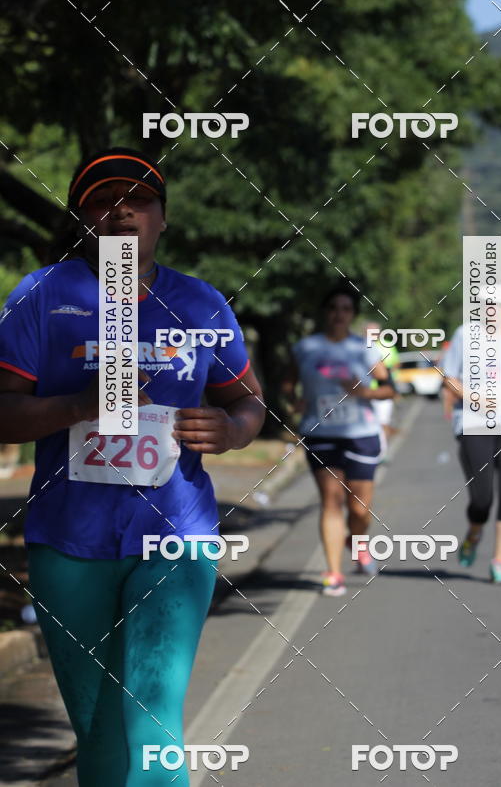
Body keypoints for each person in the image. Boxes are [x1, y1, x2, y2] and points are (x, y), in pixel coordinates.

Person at [0, 148, 265, 787]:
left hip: (176, 534)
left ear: (163, 219)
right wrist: (73, 405)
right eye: (102, 200)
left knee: (151, 719)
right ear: (81, 216)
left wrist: (231, 430)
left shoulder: (199, 305)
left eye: (139, 199)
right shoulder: (42, 296)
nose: (121, 212)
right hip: (69, 539)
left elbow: (249, 399)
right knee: (97, 733)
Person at [282, 286, 395, 597]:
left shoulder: (365, 350)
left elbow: (389, 389)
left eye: (346, 309)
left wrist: (364, 392)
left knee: (359, 509)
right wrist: (294, 401)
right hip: (320, 433)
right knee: (331, 501)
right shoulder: (306, 348)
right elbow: (288, 383)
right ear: (325, 311)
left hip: (361, 434)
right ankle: (333, 572)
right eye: (333, 307)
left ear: (353, 315)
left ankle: (357, 541)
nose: (339, 314)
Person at [442, 284, 501, 585]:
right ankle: (474, 532)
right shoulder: (464, 335)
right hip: (474, 422)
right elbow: (449, 378)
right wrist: (475, 398)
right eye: (490, 305)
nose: (496, 311)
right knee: (482, 498)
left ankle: (499, 560)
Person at [363, 321, 400, 453]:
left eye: (375, 331)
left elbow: (396, 364)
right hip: (365, 391)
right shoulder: (360, 346)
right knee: (370, 423)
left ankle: (382, 451)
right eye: (369, 332)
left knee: (383, 421)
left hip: (384, 390)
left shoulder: (387, 345)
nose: (372, 334)